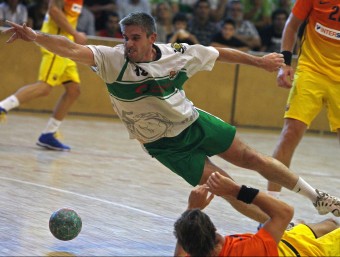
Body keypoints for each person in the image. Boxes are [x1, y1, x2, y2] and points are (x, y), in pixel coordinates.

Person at [3, 12, 339, 223]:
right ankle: (281, 226)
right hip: (164, 146)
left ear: (152, 38)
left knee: (252, 157)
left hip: (194, 121)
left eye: (135, 38)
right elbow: (68, 47)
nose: (128, 44)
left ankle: (319, 199)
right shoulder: (110, 59)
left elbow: (218, 53)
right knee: (226, 186)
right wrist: (36, 37)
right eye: (125, 37)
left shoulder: (176, 55)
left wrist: (260, 62)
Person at [266, 0, 340, 203]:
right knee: (290, 133)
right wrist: (285, 63)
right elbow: (291, 24)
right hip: (311, 71)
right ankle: (271, 206)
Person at [174, 172, 340, 256]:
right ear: (216, 235)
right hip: (303, 252)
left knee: (330, 224)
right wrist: (236, 190)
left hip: (283, 241)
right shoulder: (249, 250)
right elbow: (285, 212)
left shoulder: (199, 250)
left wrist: (191, 209)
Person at [0, 0, 87, 151]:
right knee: (44, 87)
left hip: (67, 45)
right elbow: (53, 10)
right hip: (55, 44)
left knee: (73, 90)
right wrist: (75, 33)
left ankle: (49, 134)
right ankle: (2, 107)